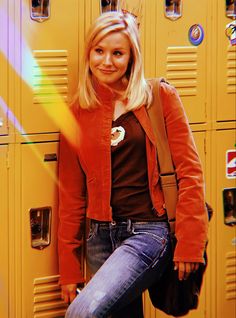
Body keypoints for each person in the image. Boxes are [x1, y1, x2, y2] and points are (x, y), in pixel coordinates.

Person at [58, 11, 208, 318]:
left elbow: (190, 172)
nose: (107, 61)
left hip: (149, 233)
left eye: (117, 53)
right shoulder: (77, 112)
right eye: (99, 51)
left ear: (131, 57)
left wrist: (191, 243)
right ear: (89, 53)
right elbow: (71, 197)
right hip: (99, 237)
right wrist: (69, 270)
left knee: (81, 313)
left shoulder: (158, 96)